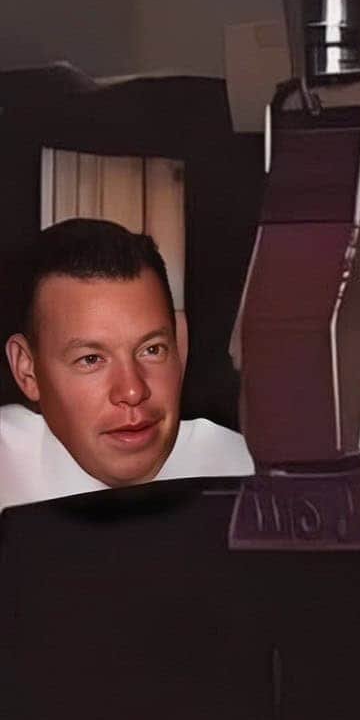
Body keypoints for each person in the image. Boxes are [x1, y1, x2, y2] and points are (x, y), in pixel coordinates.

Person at [0, 218, 253, 510]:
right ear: (27, 370)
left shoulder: (248, 474)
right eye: (91, 359)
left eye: (152, 350)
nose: (132, 391)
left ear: (180, 348)